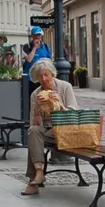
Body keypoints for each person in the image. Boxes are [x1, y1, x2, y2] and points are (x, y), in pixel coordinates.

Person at [22, 58, 78, 196]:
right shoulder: (36, 94)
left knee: (34, 138)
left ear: (52, 74)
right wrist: (38, 111)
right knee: (33, 132)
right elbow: (35, 125)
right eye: (40, 76)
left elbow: (74, 114)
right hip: (48, 130)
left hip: (66, 128)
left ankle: (32, 181)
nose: (43, 78)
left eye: (46, 74)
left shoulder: (65, 87)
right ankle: (39, 172)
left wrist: (58, 103)